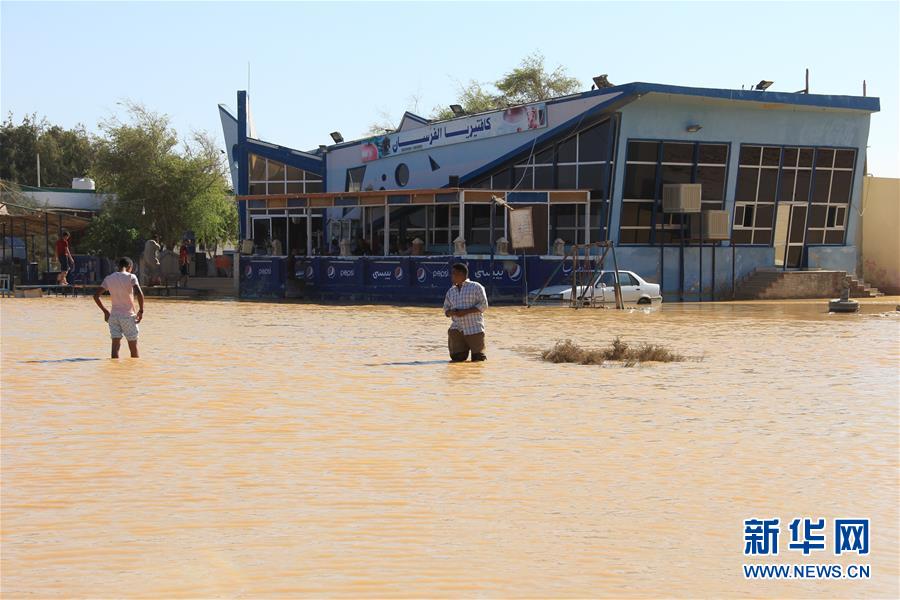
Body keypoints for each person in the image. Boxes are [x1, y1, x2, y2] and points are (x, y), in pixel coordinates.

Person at [93, 257, 145, 359]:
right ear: (129, 267)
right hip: (128, 316)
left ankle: (114, 372)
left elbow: (96, 296)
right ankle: (135, 373)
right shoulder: (131, 277)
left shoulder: (109, 278)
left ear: (118, 266)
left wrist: (105, 312)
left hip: (114, 317)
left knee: (115, 347)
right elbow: (139, 293)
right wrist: (141, 310)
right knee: (133, 347)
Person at [443, 262, 488, 362]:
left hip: (474, 329)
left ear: (461, 274)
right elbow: (445, 310)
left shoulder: (476, 287)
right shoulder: (451, 291)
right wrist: (452, 312)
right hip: (457, 329)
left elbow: (484, 305)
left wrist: (465, 312)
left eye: (453, 273)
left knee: (478, 359)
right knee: (457, 359)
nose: (452, 276)